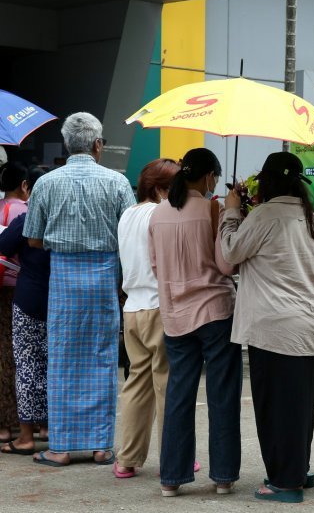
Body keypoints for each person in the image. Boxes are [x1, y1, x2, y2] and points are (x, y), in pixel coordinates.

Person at [23, 112, 136, 466]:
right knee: (102, 357)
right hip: (103, 276)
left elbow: (34, 238)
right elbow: (129, 235)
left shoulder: (45, 183)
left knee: (62, 357)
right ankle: (102, 446)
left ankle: (60, 448)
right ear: (98, 145)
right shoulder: (117, 183)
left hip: (63, 278)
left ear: (69, 145)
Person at [219, 152, 314, 504]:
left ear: (265, 182)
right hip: (308, 323)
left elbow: (232, 252)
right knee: (298, 407)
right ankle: (297, 468)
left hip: (274, 326)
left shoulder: (265, 214)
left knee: (274, 407)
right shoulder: (312, 219)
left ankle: (284, 483)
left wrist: (232, 211)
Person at [148, 148, 241, 497]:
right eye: (214, 177)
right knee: (222, 396)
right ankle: (223, 477)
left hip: (175, 316)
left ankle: (171, 478)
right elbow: (227, 264)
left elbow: (156, 266)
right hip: (215, 312)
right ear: (207, 176)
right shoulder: (212, 208)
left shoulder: (157, 214)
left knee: (178, 396)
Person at [114, 158, 182, 478]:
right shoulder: (163, 213)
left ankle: (126, 458)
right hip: (160, 307)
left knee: (136, 384)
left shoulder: (127, 215)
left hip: (132, 309)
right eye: (175, 187)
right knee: (168, 386)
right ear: (159, 189)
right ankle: (174, 458)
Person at [0, 166, 49, 455]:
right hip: (61, 299)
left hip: (29, 296)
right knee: (55, 363)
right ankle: (51, 427)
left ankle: (26, 435)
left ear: (29, 188)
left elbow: (4, 245)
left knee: (27, 364)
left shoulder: (27, 216)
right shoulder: (64, 217)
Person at [0, 161, 33, 446]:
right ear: (24, 186)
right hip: (18, 290)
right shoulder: (25, 211)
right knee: (22, 358)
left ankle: (4, 426)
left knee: (3, 356)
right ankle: (30, 424)